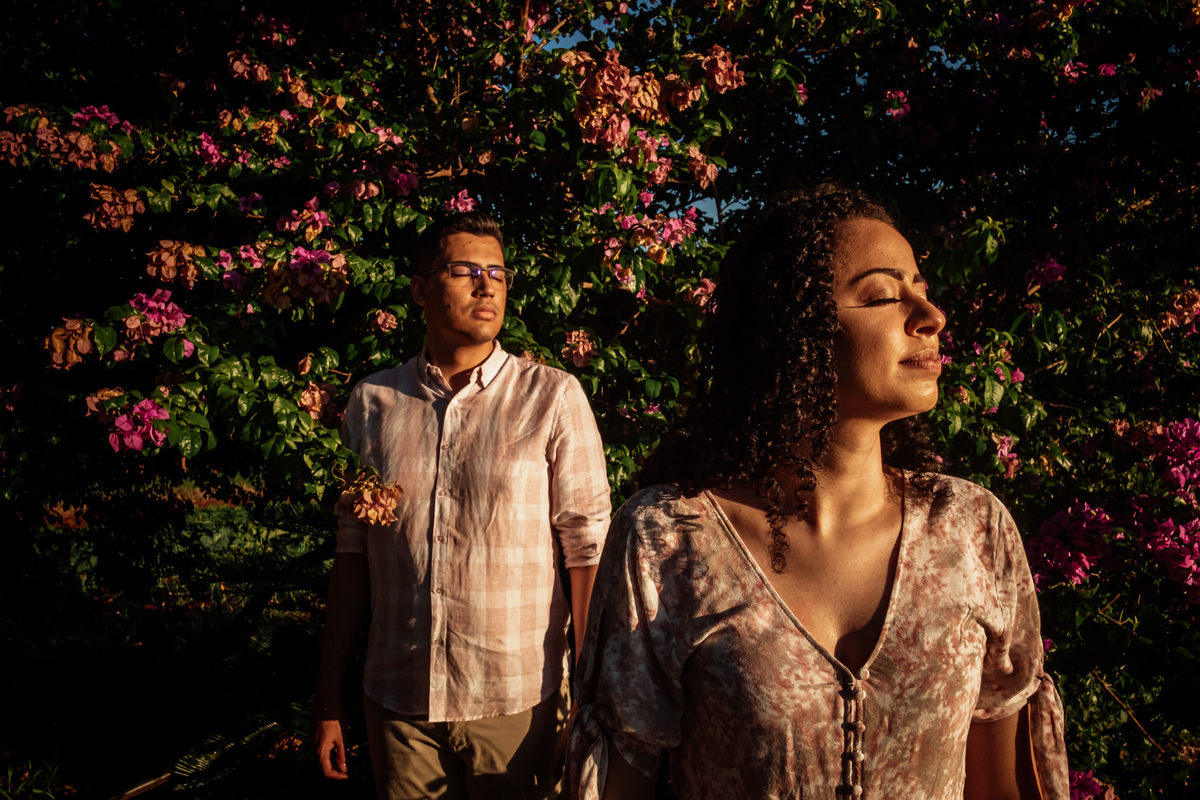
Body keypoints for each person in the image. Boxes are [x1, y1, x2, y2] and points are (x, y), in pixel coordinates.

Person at [568, 185, 1070, 799]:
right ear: (793, 330)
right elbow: (622, 783)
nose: (931, 315)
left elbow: (1001, 789)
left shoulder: (971, 527)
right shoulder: (669, 537)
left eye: (922, 287)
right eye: (885, 294)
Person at [315, 211, 612, 799]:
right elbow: (352, 553)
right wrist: (328, 695)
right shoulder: (372, 402)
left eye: (497, 273)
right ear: (420, 288)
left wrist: (591, 697)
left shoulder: (551, 397)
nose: (486, 285)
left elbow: (587, 553)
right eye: (465, 270)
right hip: (397, 702)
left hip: (516, 700)